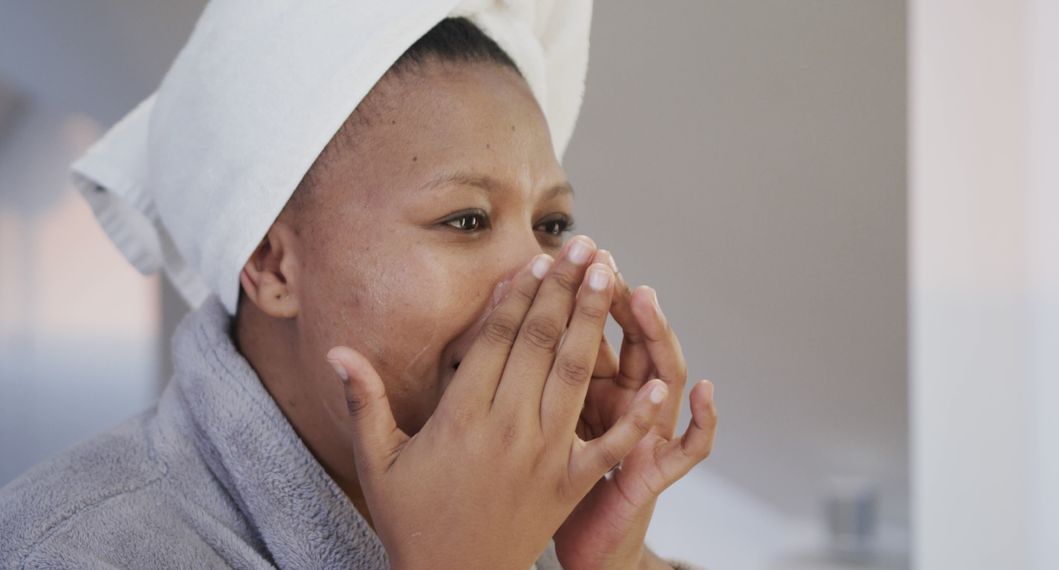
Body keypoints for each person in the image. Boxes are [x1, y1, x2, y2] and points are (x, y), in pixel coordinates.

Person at [0, 6, 716, 570]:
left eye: (552, 223)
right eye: (466, 218)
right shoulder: (65, 549)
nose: (545, 275)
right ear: (273, 266)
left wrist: (621, 562)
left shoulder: (537, 526)